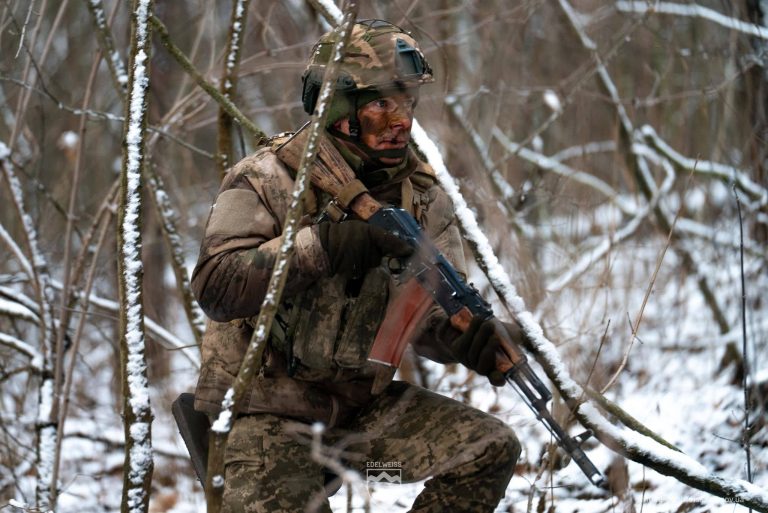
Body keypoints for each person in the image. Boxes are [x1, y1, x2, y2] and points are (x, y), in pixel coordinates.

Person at [191, 19, 523, 513]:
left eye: (407, 102)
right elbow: (216, 287)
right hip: (265, 419)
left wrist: (461, 341)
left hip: (361, 426)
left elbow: (426, 318)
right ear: (341, 110)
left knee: (487, 450)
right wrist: (328, 244)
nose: (401, 120)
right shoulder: (267, 177)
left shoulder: (424, 198)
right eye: (382, 103)